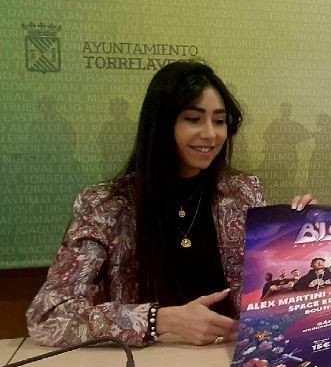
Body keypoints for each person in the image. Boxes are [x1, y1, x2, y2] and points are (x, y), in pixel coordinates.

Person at [26, 60, 315, 347]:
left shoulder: (243, 192)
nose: (210, 134)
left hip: (231, 354)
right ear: (162, 123)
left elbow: (265, 290)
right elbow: (48, 316)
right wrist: (161, 320)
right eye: (193, 119)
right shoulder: (105, 206)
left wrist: (301, 234)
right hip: (150, 360)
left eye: (219, 121)